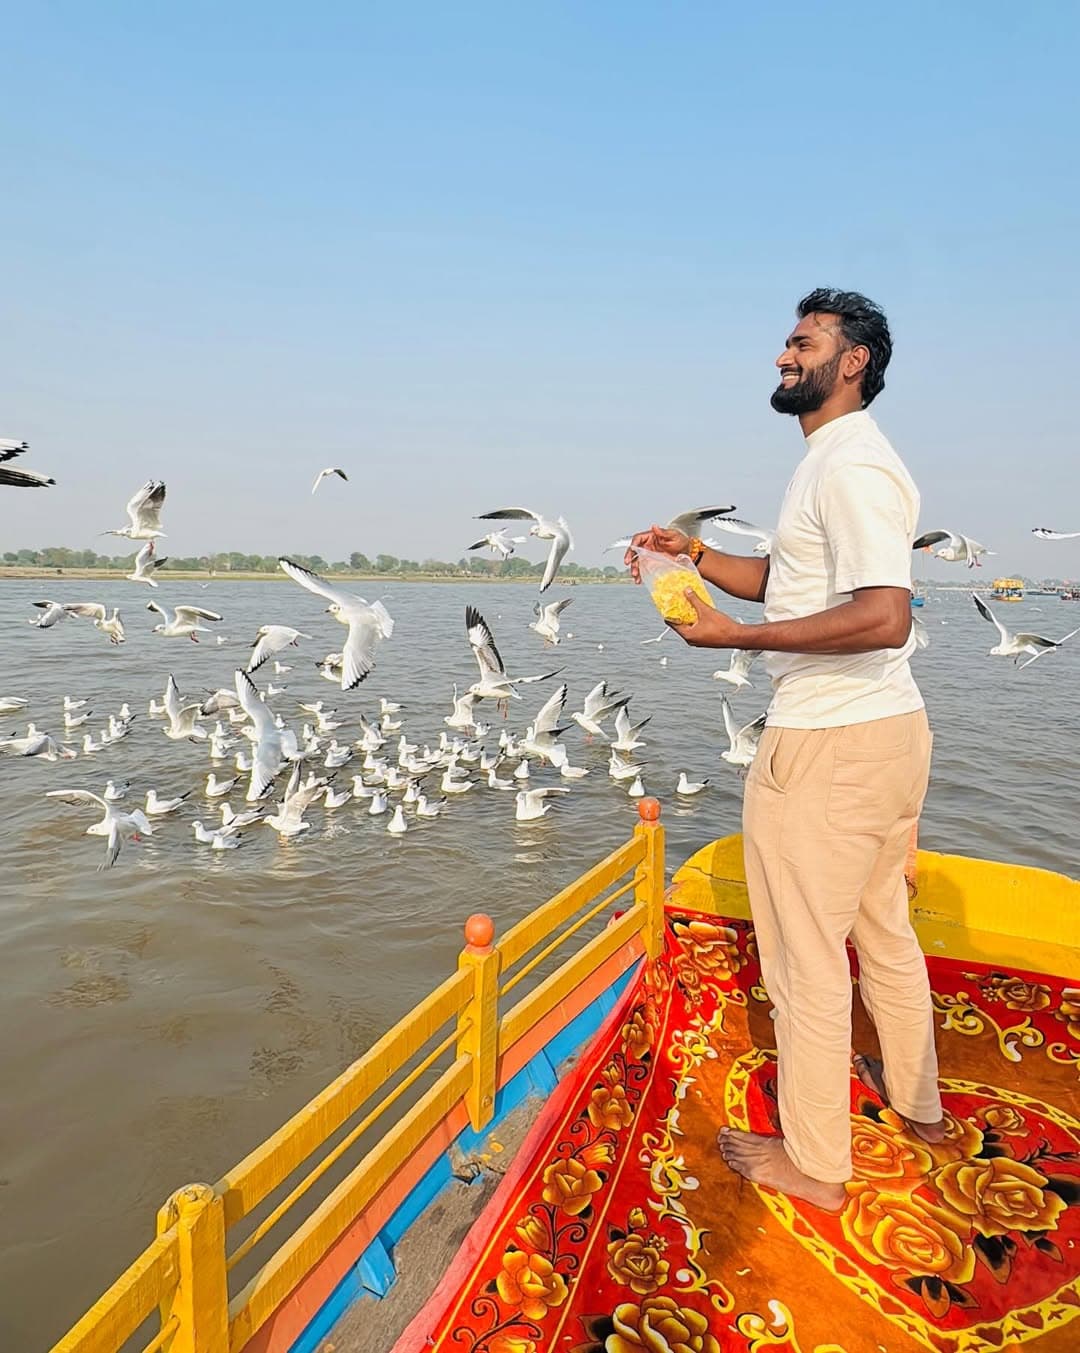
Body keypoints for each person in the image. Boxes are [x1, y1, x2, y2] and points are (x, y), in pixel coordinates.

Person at [626, 288, 943, 1212]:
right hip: (885, 734)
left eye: (803, 342)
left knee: (806, 961)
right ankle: (918, 1105)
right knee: (883, 928)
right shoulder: (834, 460)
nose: (781, 355)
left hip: (829, 742)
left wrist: (735, 639)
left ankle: (817, 1164)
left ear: (853, 361)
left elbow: (883, 616)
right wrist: (695, 555)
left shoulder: (850, 466)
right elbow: (790, 580)